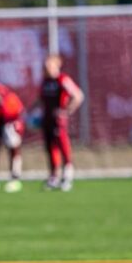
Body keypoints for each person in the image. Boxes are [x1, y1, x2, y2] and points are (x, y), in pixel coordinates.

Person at [38, 54, 84, 191]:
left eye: (49, 66)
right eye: (45, 66)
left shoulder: (62, 79)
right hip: (47, 119)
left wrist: (66, 111)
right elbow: (40, 99)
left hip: (58, 121)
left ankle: (67, 176)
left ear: (56, 66)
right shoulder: (45, 81)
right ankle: (54, 177)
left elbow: (78, 95)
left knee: (63, 146)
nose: (46, 68)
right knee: (50, 147)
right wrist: (29, 112)